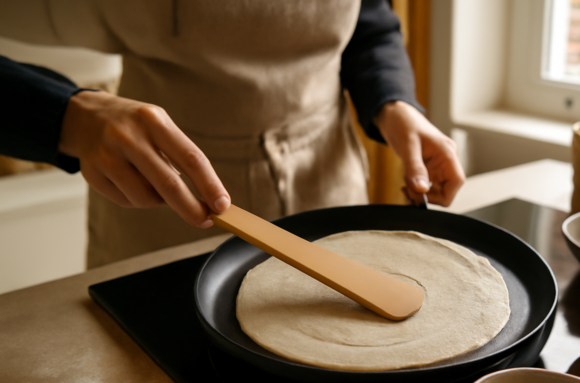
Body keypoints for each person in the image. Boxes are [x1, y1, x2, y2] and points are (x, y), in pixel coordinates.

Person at [0, 0, 465, 267]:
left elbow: (369, 20)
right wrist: (63, 115)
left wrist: (393, 103)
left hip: (329, 186)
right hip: (161, 205)